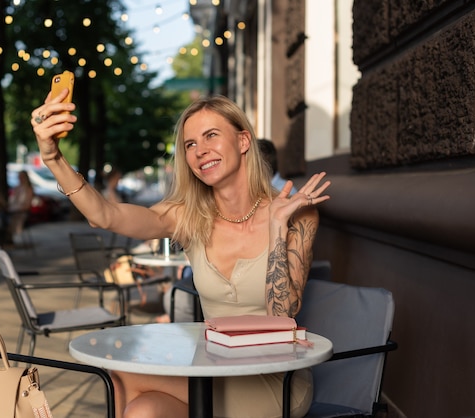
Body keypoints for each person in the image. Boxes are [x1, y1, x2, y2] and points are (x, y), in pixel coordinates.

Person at [31, 92, 330, 418]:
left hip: (276, 380)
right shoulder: (188, 216)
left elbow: (281, 314)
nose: (200, 150)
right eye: (189, 144)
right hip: (211, 370)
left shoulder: (295, 214)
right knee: (142, 411)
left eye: (211, 135)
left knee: (123, 374)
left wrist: (276, 227)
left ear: (243, 140)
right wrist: (53, 157)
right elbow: (105, 216)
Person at [8, 170, 35, 241]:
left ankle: (16, 237)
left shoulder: (28, 188)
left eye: (21, 177)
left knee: (16, 220)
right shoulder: (17, 188)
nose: (20, 179)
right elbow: (12, 200)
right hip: (14, 209)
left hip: (22, 211)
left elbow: (27, 202)